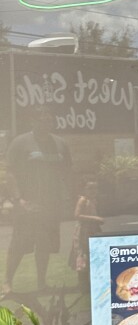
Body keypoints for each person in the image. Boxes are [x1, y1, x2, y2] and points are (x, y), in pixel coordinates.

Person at [3, 108, 72, 293]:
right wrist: (18, 199)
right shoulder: (20, 142)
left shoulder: (60, 143)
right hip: (27, 203)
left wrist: (69, 198)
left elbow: (66, 173)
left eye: (49, 121)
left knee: (44, 244)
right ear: (33, 122)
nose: (46, 124)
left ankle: (41, 283)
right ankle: (7, 282)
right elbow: (9, 173)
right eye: (41, 121)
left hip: (51, 205)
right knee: (19, 244)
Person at [69, 179, 103, 288]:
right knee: (82, 254)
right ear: (84, 189)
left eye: (95, 188)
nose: (93, 191)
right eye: (90, 188)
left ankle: (91, 281)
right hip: (83, 231)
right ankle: (83, 283)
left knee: (92, 254)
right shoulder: (83, 200)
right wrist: (95, 218)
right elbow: (77, 215)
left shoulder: (93, 200)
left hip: (93, 230)